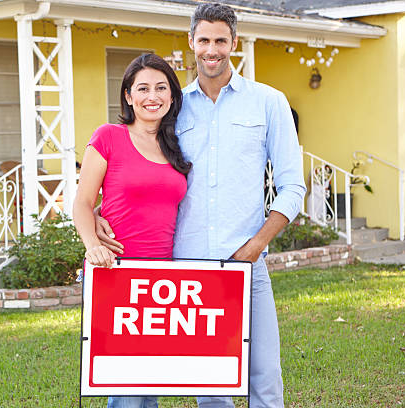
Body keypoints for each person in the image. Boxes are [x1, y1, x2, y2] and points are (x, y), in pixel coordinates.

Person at [94, 3, 306, 408]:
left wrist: (256, 245)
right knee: (211, 391)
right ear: (192, 42)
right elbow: (137, 164)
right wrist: (102, 212)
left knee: (265, 382)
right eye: (204, 39)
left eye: (220, 40)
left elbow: (292, 186)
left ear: (234, 43)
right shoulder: (171, 106)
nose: (212, 49)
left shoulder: (268, 102)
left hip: (247, 264)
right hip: (188, 272)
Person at [72, 53, 191, 407]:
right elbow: (81, 202)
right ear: (128, 95)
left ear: (171, 96)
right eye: (142, 88)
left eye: (160, 88)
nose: (151, 96)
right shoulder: (109, 137)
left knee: (148, 383)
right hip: (117, 273)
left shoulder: (176, 146)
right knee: (127, 387)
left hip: (163, 281)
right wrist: (93, 243)